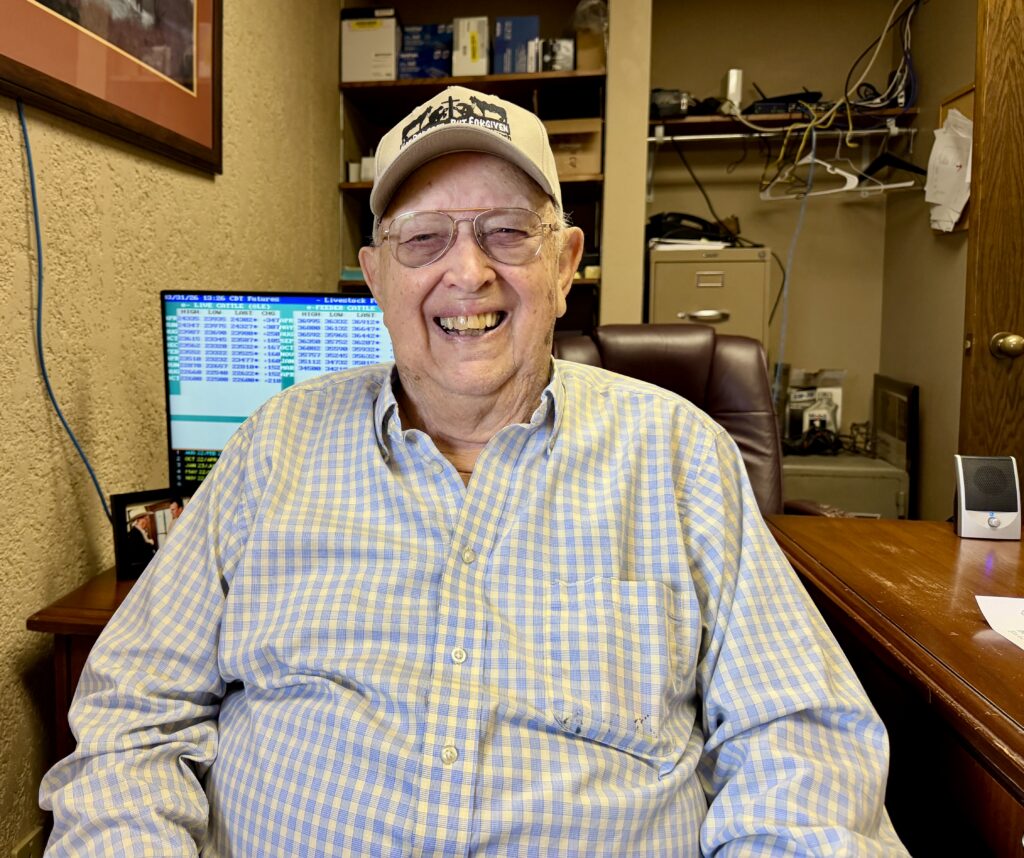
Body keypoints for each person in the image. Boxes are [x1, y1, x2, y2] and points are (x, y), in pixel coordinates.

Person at [40, 86, 908, 856]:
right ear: (375, 276)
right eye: (423, 239)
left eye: (505, 233)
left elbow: (803, 744)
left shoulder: (680, 456)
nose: (469, 272)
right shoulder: (274, 447)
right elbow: (132, 717)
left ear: (566, 264)